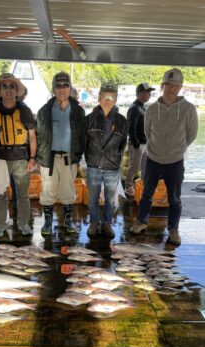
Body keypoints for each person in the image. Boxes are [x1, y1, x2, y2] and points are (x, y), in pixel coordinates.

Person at [130, 68, 198, 245]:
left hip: (175, 161)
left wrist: (177, 149)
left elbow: (192, 135)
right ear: (162, 86)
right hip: (153, 159)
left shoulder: (188, 109)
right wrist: (157, 148)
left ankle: (173, 229)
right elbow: (147, 131)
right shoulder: (152, 109)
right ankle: (141, 222)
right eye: (167, 84)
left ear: (180, 87)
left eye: (175, 85)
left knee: (174, 199)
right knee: (146, 194)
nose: (171, 88)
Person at [0, 73, 37, 238]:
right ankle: (0, 224)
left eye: (11, 86)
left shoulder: (24, 110)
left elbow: (33, 135)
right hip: (0, 159)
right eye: (4, 86)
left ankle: (23, 224)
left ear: (16, 90)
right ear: (0, 90)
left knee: (22, 195)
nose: (8, 90)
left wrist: (32, 158)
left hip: (21, 159)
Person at [36, 71, 85, 235]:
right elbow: (38, 136)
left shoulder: (78, 110)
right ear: (53, 88)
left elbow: (82, 135)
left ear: (70, 88)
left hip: (69, 159)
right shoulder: (44, 111)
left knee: (68, 191)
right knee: (47, 192)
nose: (62, 89)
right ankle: (48, 223)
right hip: (49, 159)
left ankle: (68, 221)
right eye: (58, 86)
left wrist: (78, 156)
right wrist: (38, 158)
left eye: (65, 85)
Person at [85, 82, 128, 238]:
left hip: (112, 167)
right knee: (92, 199)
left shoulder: (122, 121)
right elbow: (85, 143)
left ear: (116, 98)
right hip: (93, 166)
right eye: (104, 96)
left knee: (111, 200)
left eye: (111, 96)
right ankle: (94, 222)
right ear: (99, 98)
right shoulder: (88, 119)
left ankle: (108, 223)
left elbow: (123, 144)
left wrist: (115, 159)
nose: (107, 99)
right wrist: (89, 160)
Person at [124, 82, 155, 197]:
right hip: (137, 144)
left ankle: (142, 185)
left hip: (144, 143)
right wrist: (136, 145)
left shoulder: (142, 106)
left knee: (145, 166)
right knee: (134, 167)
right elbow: (130, 127)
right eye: (148, 93)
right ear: (140, 93)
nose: (149, 95)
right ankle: (128, 186)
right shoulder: (134, 108)